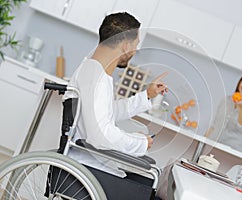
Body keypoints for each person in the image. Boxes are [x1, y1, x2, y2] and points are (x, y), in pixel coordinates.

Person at [63, 12, 168, 178]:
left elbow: (107, 112)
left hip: (88, 163)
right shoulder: (97, 79)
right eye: (135, 45)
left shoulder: (91, 70)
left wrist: (146, 95)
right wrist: (140, 142)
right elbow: (101, 135)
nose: (135, 51)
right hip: (89, 169)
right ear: (126, 45)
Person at [204, 70, 242, 153]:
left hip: (232, 152)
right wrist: (202, 141)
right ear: (240, 82)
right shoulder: (226, 100)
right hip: (212, 146)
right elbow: (214, 125)